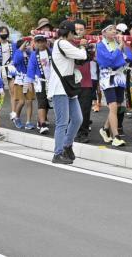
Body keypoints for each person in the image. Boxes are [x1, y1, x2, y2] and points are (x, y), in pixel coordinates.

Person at [49, 20, 87, 164]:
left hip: (68, 86)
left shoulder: (65, 44)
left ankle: (67, 145)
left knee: (77, 118)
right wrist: (83, 45)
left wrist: (81, 47)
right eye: (74, 33)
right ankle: (57, 153)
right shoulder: (63, 43)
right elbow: (82, 56)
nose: (75, 36)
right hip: (60, 88)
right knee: (62, 122)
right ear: (70, 32)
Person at [96, 23, 132, 147]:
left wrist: (123, 46)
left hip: (119, 77)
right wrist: (119, 51)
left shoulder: (118, 43)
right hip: (108, 78)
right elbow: (109, 61)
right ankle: (116, 136)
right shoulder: (100, 45)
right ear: (104, 33)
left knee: (116, 106)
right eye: (110, 29)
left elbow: (130, 58)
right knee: (113, 106)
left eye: (114, 30)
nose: (113, 32)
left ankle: (105, 129)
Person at [27, 34, 53, 135]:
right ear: (35, 43)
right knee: (41, 102)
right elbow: (31, 68)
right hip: (40, 81)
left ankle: (41, 120)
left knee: (47, 103)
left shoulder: (51, 52)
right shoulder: (34, 54)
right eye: (38, 42)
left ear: (46, 42)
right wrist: (30, 81)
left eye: (42, 41)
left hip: (51, 81)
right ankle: (42, 124)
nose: (40, 44)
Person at [12, 38, 35, 130]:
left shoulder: (30, 53)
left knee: (29, 101)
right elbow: (17, 60)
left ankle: (28, 122)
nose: (27, 46)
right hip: (20, 80)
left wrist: (32, 45)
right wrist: (24, 44)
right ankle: (16, 117)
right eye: (25, 44)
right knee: (21, 102)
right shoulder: (17, 53)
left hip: (29, 79)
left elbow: (34, 57)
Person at [0, 26, 16, 114]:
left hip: (10, 69)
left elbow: (15, 56)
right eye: (1, 32)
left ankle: (13, 111)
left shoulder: (12, 44)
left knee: (13, 91)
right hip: (0, 69)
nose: (3, 34)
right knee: (0, 91)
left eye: (5, 32)